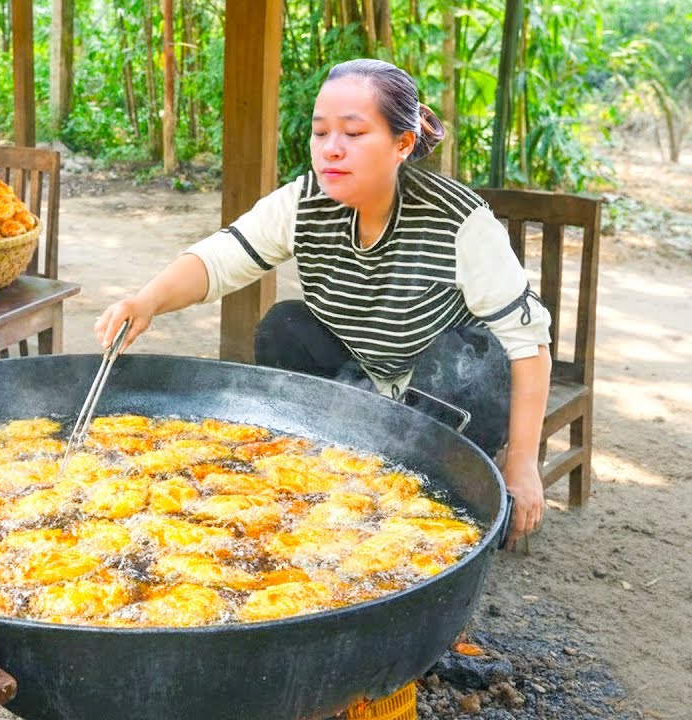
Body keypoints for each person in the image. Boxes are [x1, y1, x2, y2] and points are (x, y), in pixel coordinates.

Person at [94, 59, 551, 548]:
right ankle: (323, 476)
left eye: (353, 133)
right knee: (285, 325)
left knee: (463, 363)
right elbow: (221, 257)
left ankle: (433, 511)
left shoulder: (461, 221)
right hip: (366, 373)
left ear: (402, 144)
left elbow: (529, 346)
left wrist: (521, 462)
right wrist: (146, 301)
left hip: (451, 389)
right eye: (320, 133)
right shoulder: (306, 200)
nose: (331, 149)